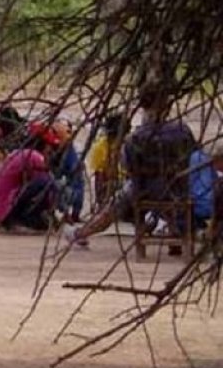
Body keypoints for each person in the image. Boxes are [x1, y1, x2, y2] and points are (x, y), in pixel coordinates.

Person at [65, 86, 196, 248]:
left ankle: (81, 233)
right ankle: (174, 230)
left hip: (145, 190)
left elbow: (129, 168)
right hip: (179, 189)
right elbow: (194, 157)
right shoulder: (183, 131)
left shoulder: (136, 138)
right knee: (161, 187)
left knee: (121, 198)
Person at [0, 124, 59, 231]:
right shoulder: (33, 156)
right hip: (5, 210)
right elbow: (46, 183)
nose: (51, 150)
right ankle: (19, 219)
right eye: (50, 146)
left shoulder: (19, 153)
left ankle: (27, 218)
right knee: (47, 183)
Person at [88, 113, 127, 210]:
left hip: (123, 178)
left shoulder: (125, 145)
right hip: (108, 179)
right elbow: (99, 172)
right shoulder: (100, 147)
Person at [49, 119, 85, 224]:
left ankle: (72, 213)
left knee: (76, 181)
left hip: (65, 174)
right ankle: (69, 213)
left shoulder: (68, 149)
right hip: (58, 175)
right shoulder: (61, 147)